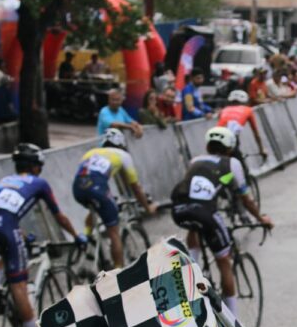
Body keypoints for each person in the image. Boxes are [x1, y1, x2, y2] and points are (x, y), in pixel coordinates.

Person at [0, 144, 86, 327]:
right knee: (19, 285)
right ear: (36, 167)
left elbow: (2, 213)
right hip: (5, 227)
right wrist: (76, 235)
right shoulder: (39, 183)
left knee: (7, 251)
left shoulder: (6, 181)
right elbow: (59, 216)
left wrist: (22, 236)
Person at [170, 127, 273, 315]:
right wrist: (260, 218)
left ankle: (190, 273)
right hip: (204, 212)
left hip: (178, 209)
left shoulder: (195, 160)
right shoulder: (232, 163)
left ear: (208, 146)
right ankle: (232, 324)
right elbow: (245, 198)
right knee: (224, 260)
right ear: (229, 149)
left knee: (195, 227)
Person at [72, 128, 156, 269]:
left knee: (95, 207)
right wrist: (147, 207)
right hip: (97, 189)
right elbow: (135, 187)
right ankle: (118, 272)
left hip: (77, 188)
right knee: (113, 232)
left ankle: (87, 238)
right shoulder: (122, 155)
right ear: (121, 144)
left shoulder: (91, 152)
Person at [218, 90, 267, 161]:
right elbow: (256, 134)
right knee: (239, 164)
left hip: (215, 135)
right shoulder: (248, 110)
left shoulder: (224, 110)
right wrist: (261, 149)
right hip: (230, 137)